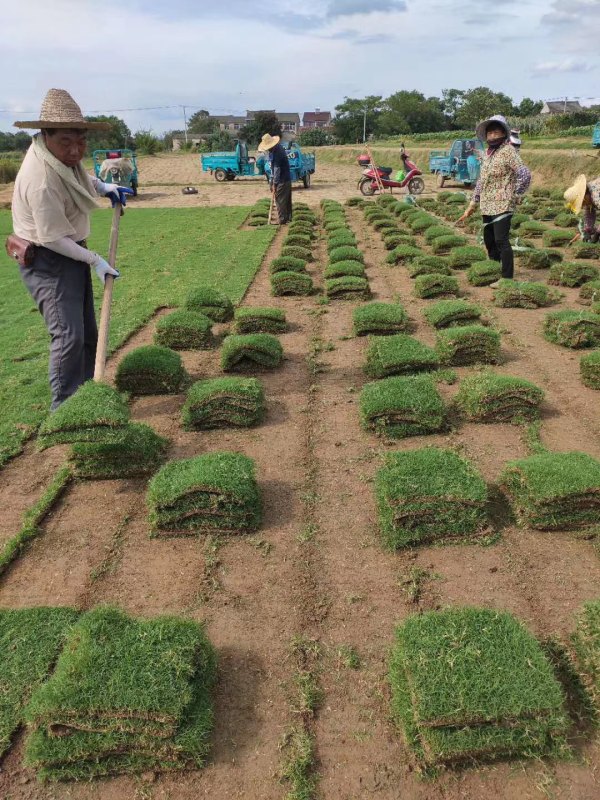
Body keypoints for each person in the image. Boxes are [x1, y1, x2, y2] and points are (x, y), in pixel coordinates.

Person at [10, 88, 133, 410]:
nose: (75, 150)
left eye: (80, 141)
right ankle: (64, 410)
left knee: (88, 333)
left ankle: (87, 394)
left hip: (70, 250)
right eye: (66, 141)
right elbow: (51, 238)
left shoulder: (59, 159)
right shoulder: (41, 179)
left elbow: (78, 177)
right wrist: (95, 260)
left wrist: (104, 185)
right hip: (47, 259)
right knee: (69, 336)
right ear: (45, 135)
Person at [457, 115, 530, 287]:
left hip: (503, 204)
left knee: (501, 241)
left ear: (504, 134)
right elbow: (481, 182)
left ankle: (506, 278)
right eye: (489, 133)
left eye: (496, 132)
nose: (492, 135)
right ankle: (495, 269)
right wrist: (471, 206)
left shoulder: (508, 152)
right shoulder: (488, 155)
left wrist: (516, 194)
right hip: (487, 205)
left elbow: (525, 174)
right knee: (489, 240)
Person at [257, 132, 292, 224]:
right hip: (286, 178)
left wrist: (275, 184)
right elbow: (273, 169)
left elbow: (277, 170)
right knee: (286, 200)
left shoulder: (277, 153)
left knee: (279, 199)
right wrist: (271, 181)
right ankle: (288, 218)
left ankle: (282, 219)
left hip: (282, 180)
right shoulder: (276, 149)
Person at [564, 174, 600, 243]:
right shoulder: (589, 192)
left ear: (584, 197)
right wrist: (587, 230)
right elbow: (589, 212)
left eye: (582, 203)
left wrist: (598, 232)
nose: (584, 205)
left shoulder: (596, 196)